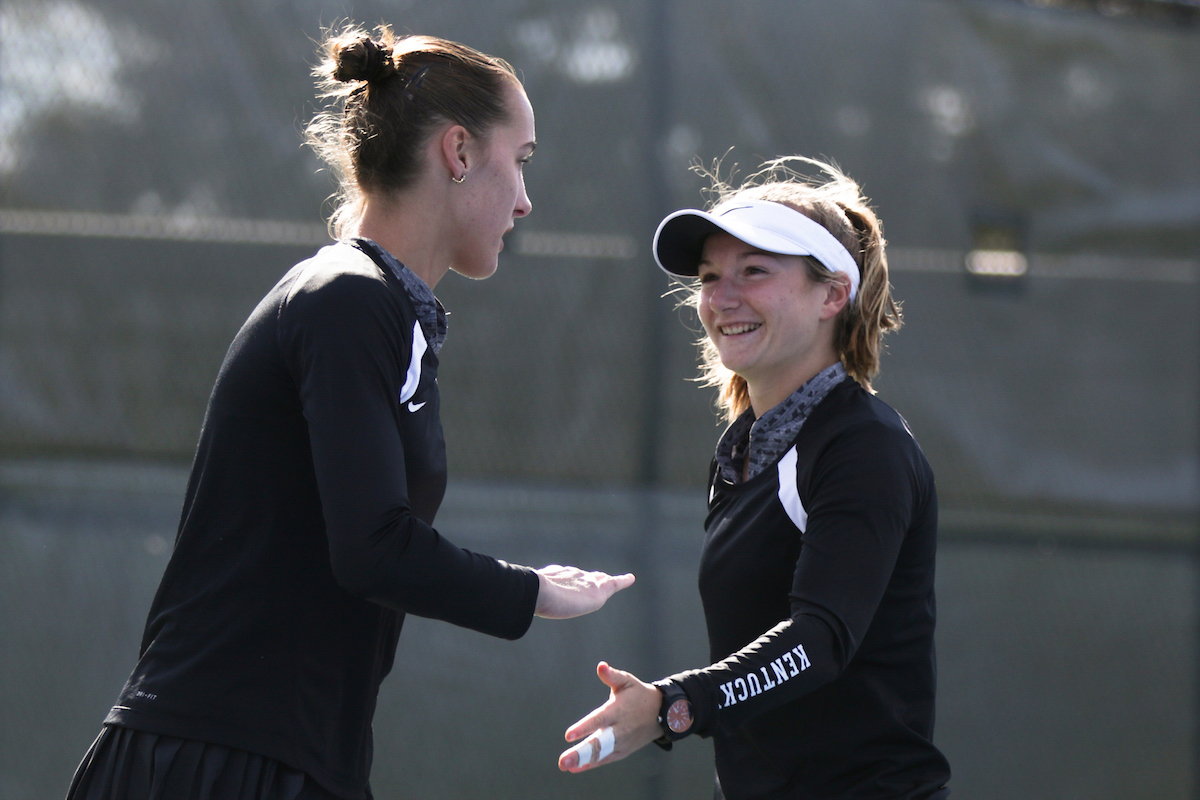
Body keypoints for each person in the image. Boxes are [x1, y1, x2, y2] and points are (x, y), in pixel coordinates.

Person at [64, 24, 634, 800]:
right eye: (521, 161)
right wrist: (531, 591)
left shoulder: (379, 310)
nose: (527, 201)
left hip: (281, 760)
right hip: (216, 761)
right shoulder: (348, 299)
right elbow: (371, 548)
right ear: (459, 153)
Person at [558, 157, 951, 799]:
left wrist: (670, 705)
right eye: (711, 276)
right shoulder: (743, 448)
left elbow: (817, 643)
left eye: (755, 271)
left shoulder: (865, 448)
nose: (722, 297)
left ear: (832, 295)